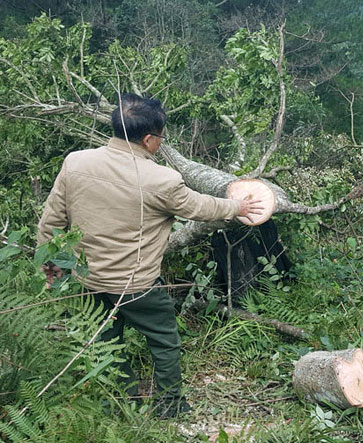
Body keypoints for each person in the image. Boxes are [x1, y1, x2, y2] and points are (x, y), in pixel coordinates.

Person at [37, 93, 263, 418]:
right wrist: (237, 207)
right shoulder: (161, 179)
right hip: (137, 286)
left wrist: (52, 264)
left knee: (105, 341)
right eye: (160, 137)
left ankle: (123, 398)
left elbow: (51, 222)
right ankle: (170, 406)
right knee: (165, 342)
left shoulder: (76, 163)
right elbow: (200, 207)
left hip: (88, 280)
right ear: (148, 138)